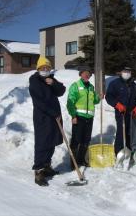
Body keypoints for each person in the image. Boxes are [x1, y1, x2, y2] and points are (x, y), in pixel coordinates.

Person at [29, 56, 66, 186]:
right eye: (43, 68)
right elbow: (39, 102)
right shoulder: (35, 81)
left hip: (54, 116)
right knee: (42, 143)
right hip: (43, 117)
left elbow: (61, 91)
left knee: (51, 141)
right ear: (38, 68)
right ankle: (38, 172)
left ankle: (46, 166)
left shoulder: (50, 79)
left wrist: (53, 83)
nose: (45, 70)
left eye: (48, 68)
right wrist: (53, 113)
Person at [67, 66, 100, 169]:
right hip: (78, 117)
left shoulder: (91, 87)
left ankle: (81, 160)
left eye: (89, 73)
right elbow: (70, 102)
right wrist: (73, 115)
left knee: (86, 140)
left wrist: (98, 97)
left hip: (89, 117)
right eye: (85, 73)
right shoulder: (75, 86)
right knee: (76, 140)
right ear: (81, 74)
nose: (87, 75)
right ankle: (73, 163)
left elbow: (95, 101)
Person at [105, 67, 136, 155]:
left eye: (128, 71)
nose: (126, 73)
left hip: (131, 112)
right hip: (120, 112)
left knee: (129, 132)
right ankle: (119, 152)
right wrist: (117, 104)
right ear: (121, 72)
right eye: (125, 71)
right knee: (121, 132)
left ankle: (128, 151)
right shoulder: (114, 83)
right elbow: (109, 97)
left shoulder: (134, 85)